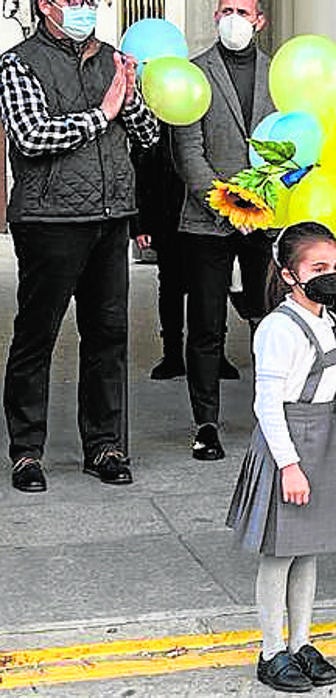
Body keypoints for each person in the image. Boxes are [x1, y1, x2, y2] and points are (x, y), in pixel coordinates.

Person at [1, 0, 159, 492]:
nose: (84, 9)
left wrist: (128, 98)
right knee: (37, 336)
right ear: (45, 6)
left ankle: (105, 445)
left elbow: (149, 135)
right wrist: (101, 113)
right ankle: (27, 452)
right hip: (49, 220)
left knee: (108, 336)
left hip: (108, 217)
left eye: (91, 2)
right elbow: (31, 136)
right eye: (73, 1)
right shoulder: (19, 62)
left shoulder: (114, 59)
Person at [225, 222, 336, 693]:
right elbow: (266, 402)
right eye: (318, 268)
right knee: (280, 554)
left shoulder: (329, 318)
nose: (331, 275)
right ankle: (271, 650)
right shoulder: (280, 327)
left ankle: (301, 642)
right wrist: (288, 464)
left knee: (308, 551)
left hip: (321, 438)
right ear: (288, 274)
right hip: (290, 444)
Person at [171, 0, 276, 462]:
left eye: (243, 11)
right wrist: (224, 204)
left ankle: (270, 414)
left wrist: (259, 201)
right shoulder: (195, 73)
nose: (234, 18)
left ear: (259, 20)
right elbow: (188, 151)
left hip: (266, 218)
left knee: (267, 320)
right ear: (216, 17)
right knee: (207, 324)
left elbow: (291, 142)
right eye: (226, 9)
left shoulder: (280, 75)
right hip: (208, 221)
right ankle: (207, 422)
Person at [133, 125, 242, 382]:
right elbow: (141, 173)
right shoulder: (157, 126)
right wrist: (140, 224)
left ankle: (216, 354)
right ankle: (172, 355)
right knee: (171, 286)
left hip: (206, 217)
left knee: (213, 288)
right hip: (168, 217)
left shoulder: (206, 117)